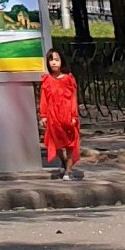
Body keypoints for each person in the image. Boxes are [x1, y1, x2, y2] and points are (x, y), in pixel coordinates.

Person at [39, 46, 83, 178]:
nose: (53, 62)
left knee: (70, 143)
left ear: (62, 61)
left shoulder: (69, 79)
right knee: (55, 143)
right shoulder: (47, 80)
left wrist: (74, 115)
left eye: (56, 59)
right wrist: (43, 115)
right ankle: (63, 162)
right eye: (51, 60)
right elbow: (44, 99)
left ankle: (69, 171)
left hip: (67, 114)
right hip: (53, 116)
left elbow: (73, 98)